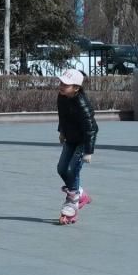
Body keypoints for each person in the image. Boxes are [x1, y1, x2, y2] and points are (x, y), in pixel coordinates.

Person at [56, 68, 98, 225]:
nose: (61, 86)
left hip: (83, 141)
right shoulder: (62, 97)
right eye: (61, 82)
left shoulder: (82, 103)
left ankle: (72, 201)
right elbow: (63, 116)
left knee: (73, 169)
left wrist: (89, 151)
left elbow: (92, 128)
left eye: (66, 84)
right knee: (61, 168)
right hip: (70, 138)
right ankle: (80, 193)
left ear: (76, 88)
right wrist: (61, 131)